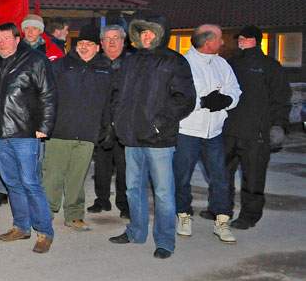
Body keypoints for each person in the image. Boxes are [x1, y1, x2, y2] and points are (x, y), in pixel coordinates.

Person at [108, 16, 196, 259]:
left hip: (159, 139)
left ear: (161, 34)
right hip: (131, 137)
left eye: (151, 32)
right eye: (142, 32)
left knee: (163, 193)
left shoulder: (173, 61)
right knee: (132, 188)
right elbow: (117, 94)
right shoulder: (130, 61)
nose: (146, 37)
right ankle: (136, 231)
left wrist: (158, 125)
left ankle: (165, 241)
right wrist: (117, 120)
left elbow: (185, 99)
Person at [0, 22, 57, 253]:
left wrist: (44, 126)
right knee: (12, 183)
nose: (2, 44)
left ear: (17, 39)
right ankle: (21, 226)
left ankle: (44, 232)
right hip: (0, 134)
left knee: (31, 182)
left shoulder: (35, 60)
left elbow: (48, 94)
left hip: (26, 132)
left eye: (6, 39)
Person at [173, 24, 241, 244]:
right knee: (182, 176)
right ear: (208, 41)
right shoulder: (184, 64)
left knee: (220, 177)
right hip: (188, 131)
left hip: (215, 133)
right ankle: (183, 215)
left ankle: (222, 220)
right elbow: (175, 97)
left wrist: (227, 100)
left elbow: (235, 89)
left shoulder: (222, 63)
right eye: (220, 38)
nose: (223, 42)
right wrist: (202, 103)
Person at [0, 13, 62, 207]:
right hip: (10, 114)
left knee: (32, 167)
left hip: (33, 116)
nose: (30, 31)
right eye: (27, 28)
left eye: (35, 28)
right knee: (6, 162)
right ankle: (2, 191)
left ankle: (35, 203)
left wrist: (45, 122)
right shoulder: (10, 52)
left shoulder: (51, 52)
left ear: (41, 32)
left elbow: (50, 90)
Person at [42, 24, 112, 231]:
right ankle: (46, 213)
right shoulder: (61, 66)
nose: (83, 47)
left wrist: (107, 127)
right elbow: (47, 96)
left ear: (97, 47)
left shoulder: (106, 70)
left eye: (88, 44)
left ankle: (74, 215)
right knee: (52, 174)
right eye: (80, 43)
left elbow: (110, 101)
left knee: (77, 176)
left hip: (88, 133)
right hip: (60, 131)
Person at [224, 26, 291, 230]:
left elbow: (281, 98)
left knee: (253, 177)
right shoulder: (232, 63)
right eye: (239, 39)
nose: (240, 41)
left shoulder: (270, 66)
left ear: (254, 40)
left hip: (257, 133)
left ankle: (249, 216)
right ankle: (221, 210)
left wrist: (278, 125)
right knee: (222, 173)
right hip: (229, 130)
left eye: (244, 38)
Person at [88, 24, 131, 218]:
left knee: (124, 168)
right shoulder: (94, 63)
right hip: (100, 124)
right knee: (102, 166)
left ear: (123, 41)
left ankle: (124, 203)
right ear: (101, 43)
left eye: (116, 38)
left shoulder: (132, 63)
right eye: (107, 38)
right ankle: (101, 199)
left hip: (124, 125)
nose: (112, 42)